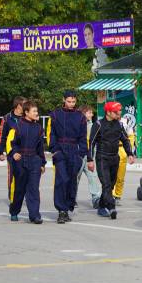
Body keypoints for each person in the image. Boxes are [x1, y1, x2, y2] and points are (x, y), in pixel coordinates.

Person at [87, 101, 135, 219]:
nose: (119, 113)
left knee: (110, 185)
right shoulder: (98, 124)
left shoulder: (119, 124)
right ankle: (111, 207)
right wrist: (90, 159)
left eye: (119, 111)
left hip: (114, 158)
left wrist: (130, 153)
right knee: (106, 184)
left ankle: (101, 206)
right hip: (102, 158)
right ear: (108, 112)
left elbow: (125, 140)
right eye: (116, 112)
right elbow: (91, 143)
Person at [47, 90, 88, 223]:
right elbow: (51, 134)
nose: (71, 104)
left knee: (71, 181)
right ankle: (61, 211)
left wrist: (81, 154)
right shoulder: (55, 115)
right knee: (61, 180)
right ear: (64, 100)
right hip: (60, 149)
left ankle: (68, 206)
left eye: (73, 102)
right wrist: (55, 150)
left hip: (74, 151)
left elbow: (83, 138)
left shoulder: (80, 117)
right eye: (69, 101)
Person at [7, 101, 46, 224]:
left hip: (35, 160)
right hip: (21, 161)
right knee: (20, 189)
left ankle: (34, 216)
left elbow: (40, 147)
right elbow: (13, 143)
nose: (36, 113)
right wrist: (14, 153)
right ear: (26, 112)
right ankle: (14, 211)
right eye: (34, 111)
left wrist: (42, 163)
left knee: (33, 189)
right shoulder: (18, 126)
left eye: (36, 111)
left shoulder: (39, 128)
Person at [0, 96, 26, 203]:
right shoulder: (7, 118)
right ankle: (13, 198)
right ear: (18, 106)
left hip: (27, 151)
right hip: (12, 152)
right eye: (24, 105)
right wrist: (0, 152)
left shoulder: (28, 117)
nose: (27, 107)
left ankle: (26, 197)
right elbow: (1, 136)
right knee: (13, 176)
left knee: (26, 176)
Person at [77, 105, 101, 208]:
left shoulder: (93, 125)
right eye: (89, 113)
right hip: (79, 155)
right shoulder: (77, 125)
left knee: (93, 177)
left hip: (89, 156)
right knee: (76, 177)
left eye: (92, 113)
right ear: (83, 113)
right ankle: (72, 198)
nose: (92, 114)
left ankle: (96, 198)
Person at [113, 114, 137, 206]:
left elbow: (130, 137)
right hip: (111, 150)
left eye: (119, 111)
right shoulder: (107, 122)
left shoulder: (126, 122)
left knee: (120, 176)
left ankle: (117, 195)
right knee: (111, 175)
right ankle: (110, 195)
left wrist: (130, 153)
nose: (117, 113)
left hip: (122, 150)